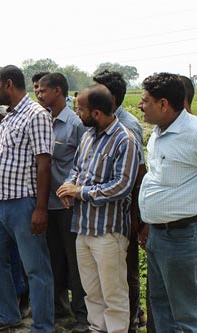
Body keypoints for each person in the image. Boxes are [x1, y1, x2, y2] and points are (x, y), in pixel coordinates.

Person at [0, 65, 55, 332]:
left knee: (35, 268)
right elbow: (6, 158)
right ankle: (7, 315)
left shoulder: (36, 115)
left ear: (8, 84)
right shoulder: (8, 118)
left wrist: (40, 208)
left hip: (23, 204)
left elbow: (44, 163)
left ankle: (42, 326)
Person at [57, 84, 140, 333]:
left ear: (96, 113)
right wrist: (68, 185)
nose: (76, 112)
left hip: (108, 232)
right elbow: (76, 169)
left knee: (113, 294)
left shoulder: (125, 140)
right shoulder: (87, 136)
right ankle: (97, 329)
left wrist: (80, 192)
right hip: (84, 227)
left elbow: (122, 186)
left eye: (80, 108)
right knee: (92, 291)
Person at [138, 72, 197, 332]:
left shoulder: (193, 134)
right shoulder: (157, 134)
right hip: (158, 235)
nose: (140, 105)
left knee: (186, 312)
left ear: (163, 104)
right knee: (159, 303)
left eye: (145, 100)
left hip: (182, 237)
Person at [93, 69, 147, 332]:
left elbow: (137, 174)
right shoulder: (98, 125)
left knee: (127, 272)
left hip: (122, 214)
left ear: (111, 98)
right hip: (103, 216)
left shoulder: (127, 127)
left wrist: (137, 217)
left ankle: (132, 319)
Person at [37, 72, 88, 332]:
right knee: (52, 259)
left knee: (75, 262)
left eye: (43, 90)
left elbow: (82, 164)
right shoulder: (41, 120)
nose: (39, 95)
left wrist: (70, 188)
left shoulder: (76, 124)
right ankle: (58, 308)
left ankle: (82, 315)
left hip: (69, 207)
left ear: (57, 91)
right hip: (45, 205)